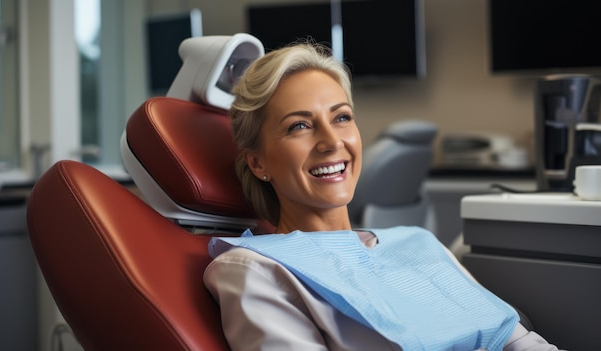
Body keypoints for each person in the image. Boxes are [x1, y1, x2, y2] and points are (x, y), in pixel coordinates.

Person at [203, 42, 560, 351]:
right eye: (300, 125)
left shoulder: (417, 243)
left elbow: (519, 340)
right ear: (258, 162)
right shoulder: (259, 271)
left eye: (341, 117)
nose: (332, 142)